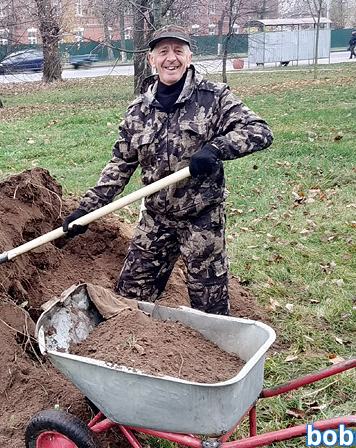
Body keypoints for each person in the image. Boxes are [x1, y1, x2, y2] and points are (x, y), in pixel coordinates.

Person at [61, 25, 273, 316]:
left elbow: (259, 130)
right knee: (128, 303)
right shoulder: (139, 111)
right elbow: (120, 164)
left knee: (211, 311)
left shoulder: (213, 98)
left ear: (189, 56)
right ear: (152, 59)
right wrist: (87, 209)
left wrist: (216, 149)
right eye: (163, 52)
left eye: (178, 51)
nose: (170, 58)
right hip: (157, 219)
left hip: (202, 219)